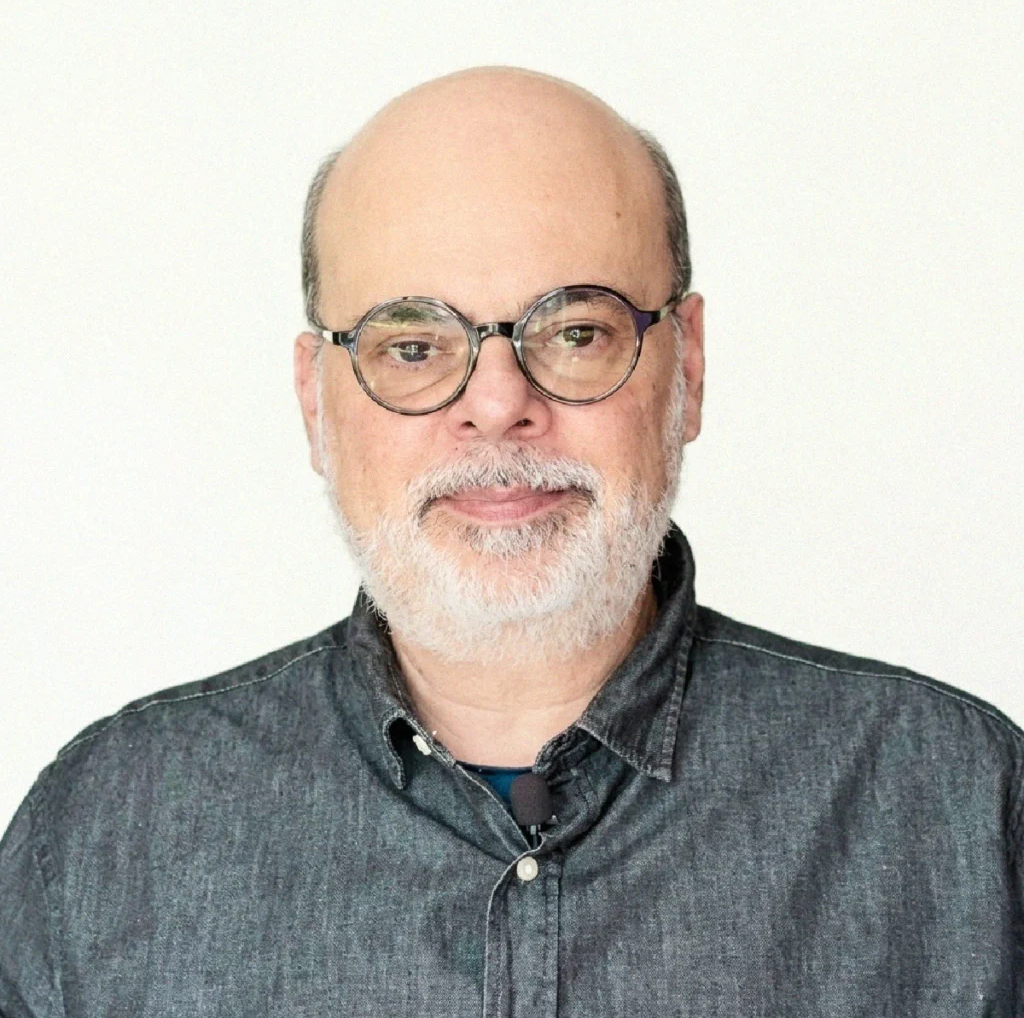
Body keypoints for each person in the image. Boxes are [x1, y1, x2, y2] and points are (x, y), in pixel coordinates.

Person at [1, 66, 1021, 1016]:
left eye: (574, 330)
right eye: (412, 345)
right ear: (315, 400)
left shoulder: (960, 805)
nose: (496, 405)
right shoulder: (109, 829)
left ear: (688, 366)